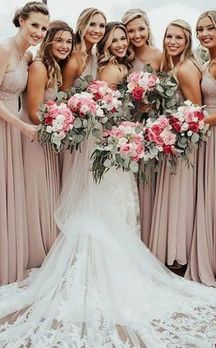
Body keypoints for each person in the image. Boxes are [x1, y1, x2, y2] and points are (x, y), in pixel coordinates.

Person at [0, 20, 216, 348]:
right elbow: (98, 106)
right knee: (109, 204)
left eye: (125, 37)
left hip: (118, 143)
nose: (123, 42)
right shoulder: (110, 70)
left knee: (120, 202)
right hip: (108, 145)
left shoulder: (121, 66)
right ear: (108, 42)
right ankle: (113, 264)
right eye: (117, 38)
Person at [185, 10, 216, 289]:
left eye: (209, 29)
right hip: (209, 133)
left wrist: (196, 123)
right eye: (200, 29)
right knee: (213, 193)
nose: (204, 34)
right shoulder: (209, 60)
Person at [0, 1, 49, 284]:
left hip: (12, 128)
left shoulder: (27, 55)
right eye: (34, 25)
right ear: (21, 21)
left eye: (43, 28)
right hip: (6, 125)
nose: (39, 32)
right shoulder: (5, 48)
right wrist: (22, 126)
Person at [149, 20, 202, 269]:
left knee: (180, 195)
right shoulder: (173, 67)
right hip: (171, 141)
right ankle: (172, 251)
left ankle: (177, 255)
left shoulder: (185, 69)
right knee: (174, 194)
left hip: (182, 144)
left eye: (178, 38)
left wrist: (173, 131)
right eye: (169, 36)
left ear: (187, 41)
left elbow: (195, 113)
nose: (172, 41)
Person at [21, 20, 74, 268]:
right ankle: (34, 250)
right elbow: (34, 112)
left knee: (46, 192)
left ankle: (45, 246)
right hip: (35, 138)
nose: (64, 46)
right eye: (59, 40)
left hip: (48, 136)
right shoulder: (40, 67)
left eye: (68, 41)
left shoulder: (55, 68)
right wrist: (61, 126)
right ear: (48, 39)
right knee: (36, 192)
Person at [122, 9, 162, 245]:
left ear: (148, 29)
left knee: (147, 179)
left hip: (149, 125)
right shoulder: (122, 57)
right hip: (125, 124)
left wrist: (152, 104)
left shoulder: (158, 55)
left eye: (140, 29)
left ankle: (149, 238)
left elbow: (169, 93)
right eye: (130, 30)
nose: (136, 35)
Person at [60, 8, 106, 184]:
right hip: (76, 130)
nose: (97, 30)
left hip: (93, 127)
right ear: (82, 26)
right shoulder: (73, 59)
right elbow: (62, 98)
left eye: (101, 25)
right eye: (92, 24)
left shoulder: (95, 55)